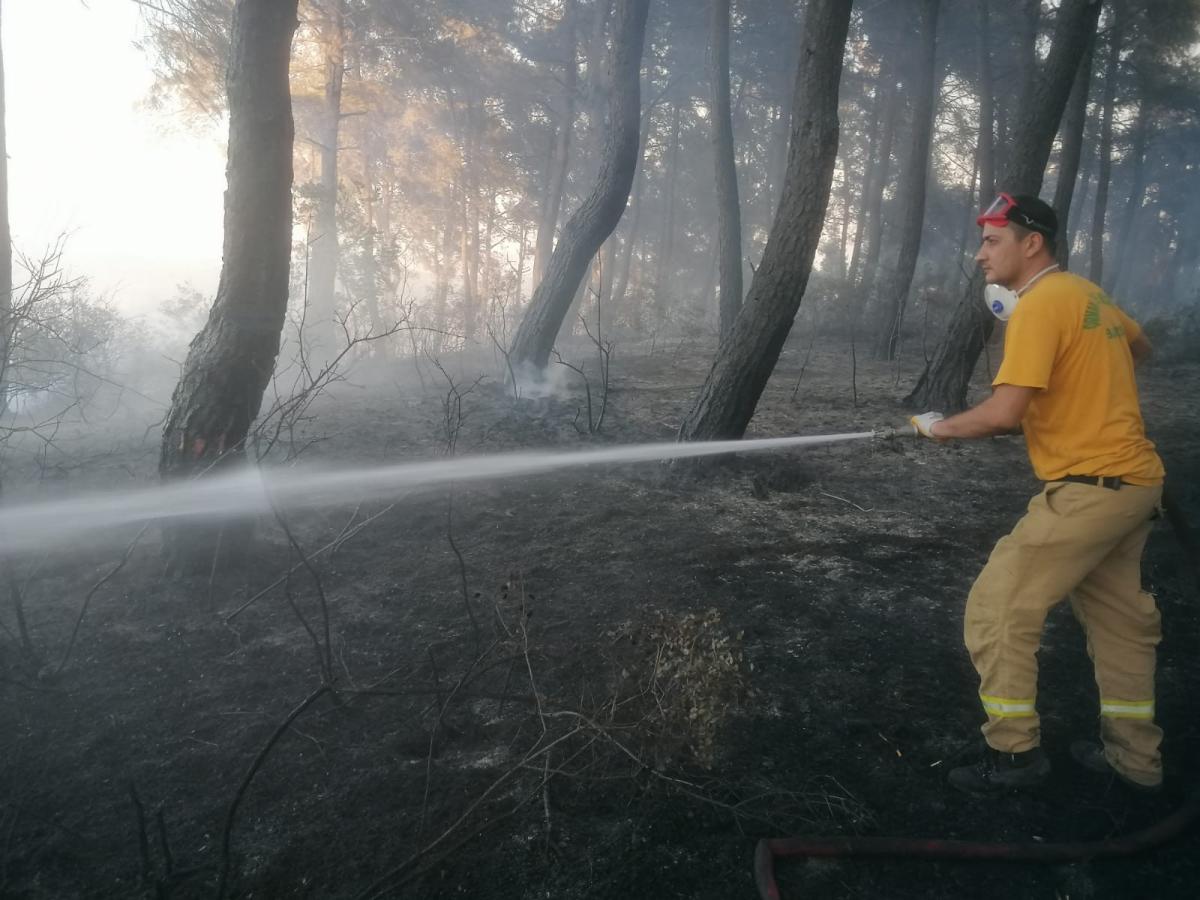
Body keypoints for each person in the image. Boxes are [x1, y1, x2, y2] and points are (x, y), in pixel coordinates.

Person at [910, 193, 1166, 797]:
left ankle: (1014, 755)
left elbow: (1003, 414)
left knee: (997, 608)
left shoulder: (1038, 306)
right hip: (1134, 485)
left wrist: (939, 428)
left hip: (1089, 490)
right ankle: (1137, 762)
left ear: (1032, 244)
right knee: (1120, 624)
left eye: (992, 241)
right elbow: (1139, 347)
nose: (980, 255)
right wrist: (1087, 384)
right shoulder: (1086, 294)